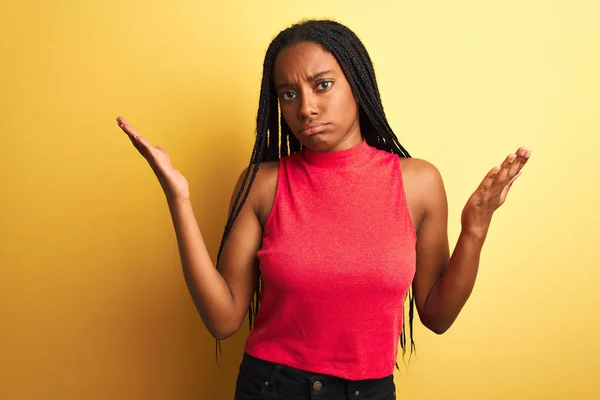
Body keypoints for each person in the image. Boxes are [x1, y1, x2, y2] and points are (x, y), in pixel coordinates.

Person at [117, 19, 530, 400]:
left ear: (357, 83)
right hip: (271, 387)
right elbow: (223, 320)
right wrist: (179, 200)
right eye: (289, 94)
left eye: (323, 85)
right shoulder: (262, 184)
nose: (306, 109)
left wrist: (475, 229)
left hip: (368, 391)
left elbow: (437, 315)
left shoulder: (418, 183)